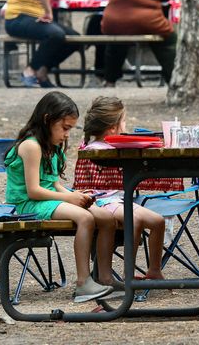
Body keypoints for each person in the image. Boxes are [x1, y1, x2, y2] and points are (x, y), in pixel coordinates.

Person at [3, 91, 118, 303]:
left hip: (48, 199)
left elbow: (54, 183)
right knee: (86, 218)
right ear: (47, 120)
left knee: (107, 219)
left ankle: (105, 278)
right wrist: (69, 199)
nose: (67, 134)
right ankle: (83, 283)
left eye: (70, 129)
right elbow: (33, 191)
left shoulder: (53, 148)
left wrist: (75, 195)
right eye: (64, 128)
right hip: (29, 205)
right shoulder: (31, 146)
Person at [77, 96, 166, 280]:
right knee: (134, 221)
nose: (126, 124)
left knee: (158, 221)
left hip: (119, 200)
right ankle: (129, 275)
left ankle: (154, 270)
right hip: (102, 201)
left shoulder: (113, 146)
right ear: (112, 128)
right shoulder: (96, 150)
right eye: (123, 121)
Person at [4, 0, 82, 88]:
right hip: (17, 18)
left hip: (34, 19)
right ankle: (29, 71)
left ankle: (42, 70)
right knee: (55, 34)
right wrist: (48, 12)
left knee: (76, 39)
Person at [101, 0, 176, 87]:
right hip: (147, 21)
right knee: (169, 38)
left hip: (113, 23)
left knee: (117, 39)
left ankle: (110, 80)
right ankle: (172, 78)